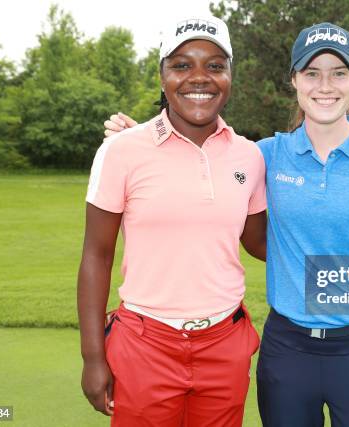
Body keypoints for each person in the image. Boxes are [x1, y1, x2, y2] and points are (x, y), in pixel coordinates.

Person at [105, 22, 349, 427]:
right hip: (288, 349)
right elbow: (207, 157)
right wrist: (144, 138)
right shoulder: (265, 155)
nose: (325, 86)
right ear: (295, 80)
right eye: (312, 73)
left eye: (339, 73)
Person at [78, 14, 267, 427]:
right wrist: (93, 357)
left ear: (230, 76)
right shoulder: (121, 151)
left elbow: (262, 243)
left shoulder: (249, 156)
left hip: (224, 341)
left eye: (215, 66)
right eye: (182, 65)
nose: (199, 77)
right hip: (145, 342)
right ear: (162, 76)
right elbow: (96, 255)